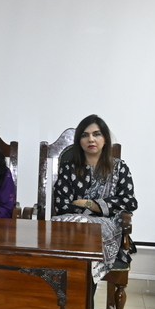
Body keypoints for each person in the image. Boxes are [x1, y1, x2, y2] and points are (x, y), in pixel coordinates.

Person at [52, 114, 138, 283]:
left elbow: (129, 202)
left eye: (96, 134)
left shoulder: (119, 168)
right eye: (85, 135)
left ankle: (83, 294)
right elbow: (61, 205)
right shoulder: (69, 168)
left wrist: (88, 204)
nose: (91, 139)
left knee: (88, 231)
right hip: (72, 230)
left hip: (106, 230)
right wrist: (100, 211)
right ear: (79, 141)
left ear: (105, 139)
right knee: (71, 227)